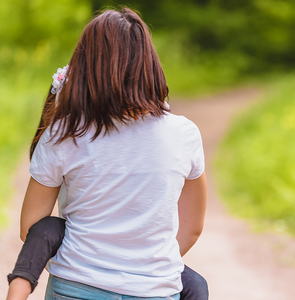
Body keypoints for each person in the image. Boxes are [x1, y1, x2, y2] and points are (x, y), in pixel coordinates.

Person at [5, 7, 208, 300]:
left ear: (85, 66)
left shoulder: (64, 133)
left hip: (74, 287)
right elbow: (192, 228)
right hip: (154, 291)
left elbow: (31, 228)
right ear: (149, 65)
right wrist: (142, 267)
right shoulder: (184, 133)